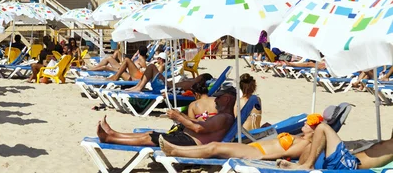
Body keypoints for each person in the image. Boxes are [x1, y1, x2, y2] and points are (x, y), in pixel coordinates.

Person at [97, 86, 237, 147]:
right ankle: (113, 133)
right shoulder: (224, 117)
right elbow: (199, 123)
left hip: (190, 143)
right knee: (150, 134)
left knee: (148, 138)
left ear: (227, 99)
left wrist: (179, 118)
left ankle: (109, 138)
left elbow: (199, 129)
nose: (215, 100)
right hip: (187, 139)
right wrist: (182, 115)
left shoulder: (224, 117)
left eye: (218, 98)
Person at [159, 113, 324, 161]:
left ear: (315, 129)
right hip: (256, 148)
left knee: (214, 148)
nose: (306, 123)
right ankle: (176, 150)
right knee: (215, 146)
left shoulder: (305, 144)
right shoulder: (301, 136)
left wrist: (262, 158)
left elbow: (283, 154)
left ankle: (175, 151)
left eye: (310, 123)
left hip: (257, 154)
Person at [279, 121, 393, 170]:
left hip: (349, 165)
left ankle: (308, 165)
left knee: (322, 128)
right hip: (349, 159)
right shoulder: (390, 143)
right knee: (312, 145)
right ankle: (300, 165)